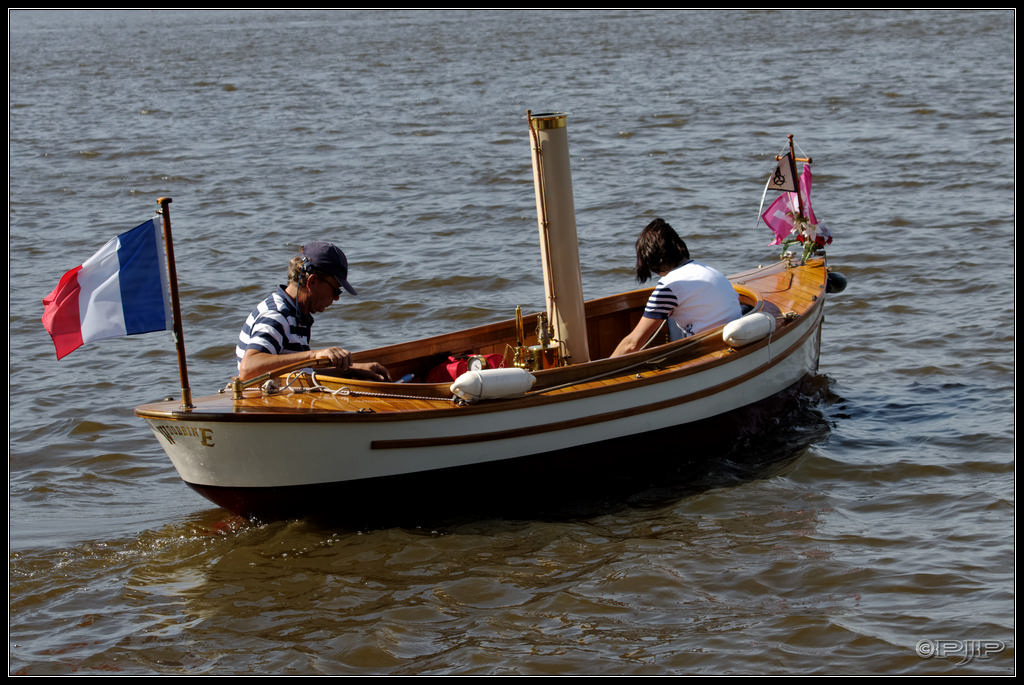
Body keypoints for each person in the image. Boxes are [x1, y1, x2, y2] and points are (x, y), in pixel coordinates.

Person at [235, 241, 390, 382]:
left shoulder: (297, 314)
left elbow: (301, 369)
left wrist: (350, 371)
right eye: (336, 290)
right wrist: (314, 355)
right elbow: (248, 368)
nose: (336, 299)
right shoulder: (277, 315)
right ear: (312, 282)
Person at [610, 218, 742, 358]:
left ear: (653, 260)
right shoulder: (709, 270)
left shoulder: (669, 286)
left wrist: (603, 370)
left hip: (707, 354)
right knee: (672, 316)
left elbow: (632, 344)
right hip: (735, 344)